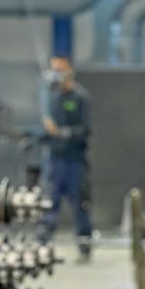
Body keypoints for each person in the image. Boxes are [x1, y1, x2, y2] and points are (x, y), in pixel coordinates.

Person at [37, 55, 94, 261]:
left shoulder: (80, 98)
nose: (55, 74)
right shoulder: (53, 98)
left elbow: (85, 129)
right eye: (53, 69)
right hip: (55, 161)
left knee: (80, 204)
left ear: (70, 71)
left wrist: (62, 132)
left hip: (75, 162)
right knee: (49, 203)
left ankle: (84, 246)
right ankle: (43, 247)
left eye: (59, 69)